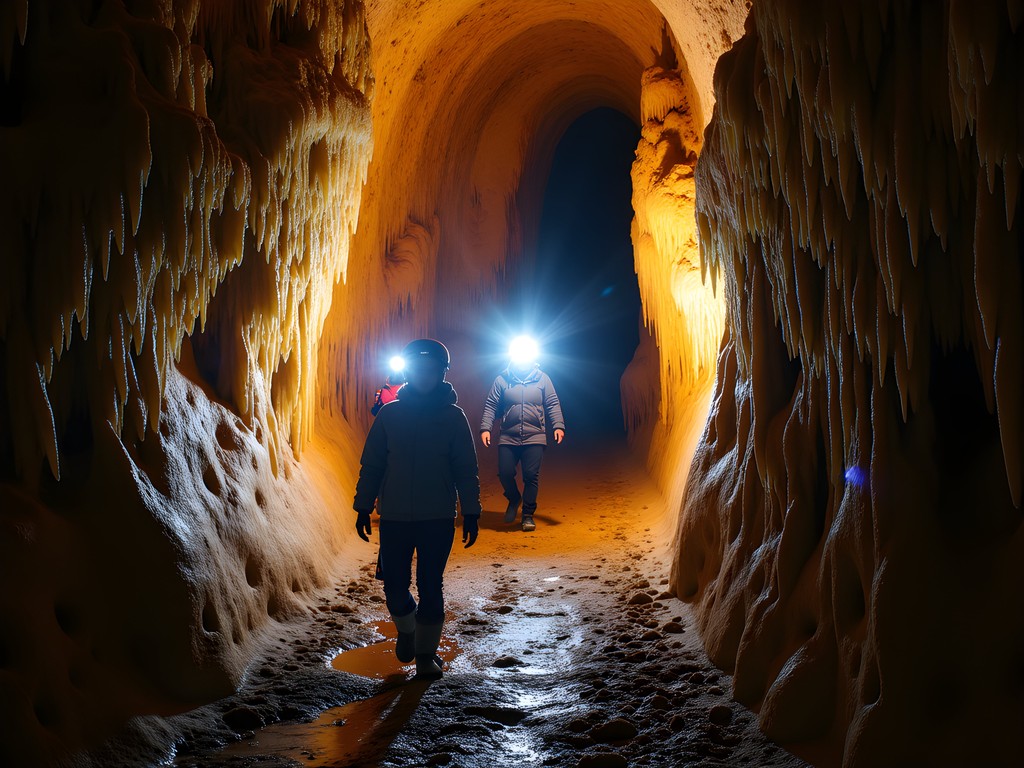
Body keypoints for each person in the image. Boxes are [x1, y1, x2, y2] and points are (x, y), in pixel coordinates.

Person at [353, 338, 481, 680]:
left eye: (431, 370)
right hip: (394, 517)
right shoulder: (390, 415)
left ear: (442, 373)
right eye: (418, 369)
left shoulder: (454, 418)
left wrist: (471, 511)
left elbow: (465, 469)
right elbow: (373, 464)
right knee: (394, 586)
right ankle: (408, 629)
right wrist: (363, 505)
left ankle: (425, 655)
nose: (424, 375)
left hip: (437, 516)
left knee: (430, 584)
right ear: (409, 372)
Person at [479, 339, 565, 532]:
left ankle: (527, 515)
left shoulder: (543, 379)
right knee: (505, 473)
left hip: (535, 435)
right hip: (508, 435)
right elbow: (491, 405)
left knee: (531, 476)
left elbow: (552, 403)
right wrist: (485, 428)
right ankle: (514, 498)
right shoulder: (502, 379)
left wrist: (558, 425)